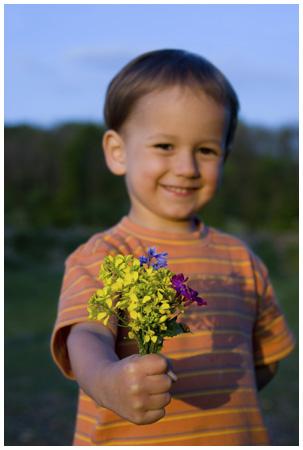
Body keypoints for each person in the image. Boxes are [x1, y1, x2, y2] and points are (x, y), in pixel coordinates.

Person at [51, 49, 295, 445]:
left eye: (206, 150)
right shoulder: (104, 255)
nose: (186, 167)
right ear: (117, 152)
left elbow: (265, 362)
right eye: (164, 146)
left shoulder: (242, 260)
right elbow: (87, 336)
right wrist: (106, 381)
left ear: (225, 158)